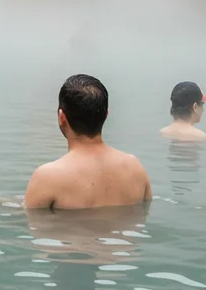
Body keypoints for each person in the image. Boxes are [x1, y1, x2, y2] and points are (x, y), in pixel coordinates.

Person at [24, 74, 151, 210]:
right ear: (106, 115)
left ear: (61, 117)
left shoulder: (47, 178)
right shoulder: (136, 169)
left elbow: (32, 223)